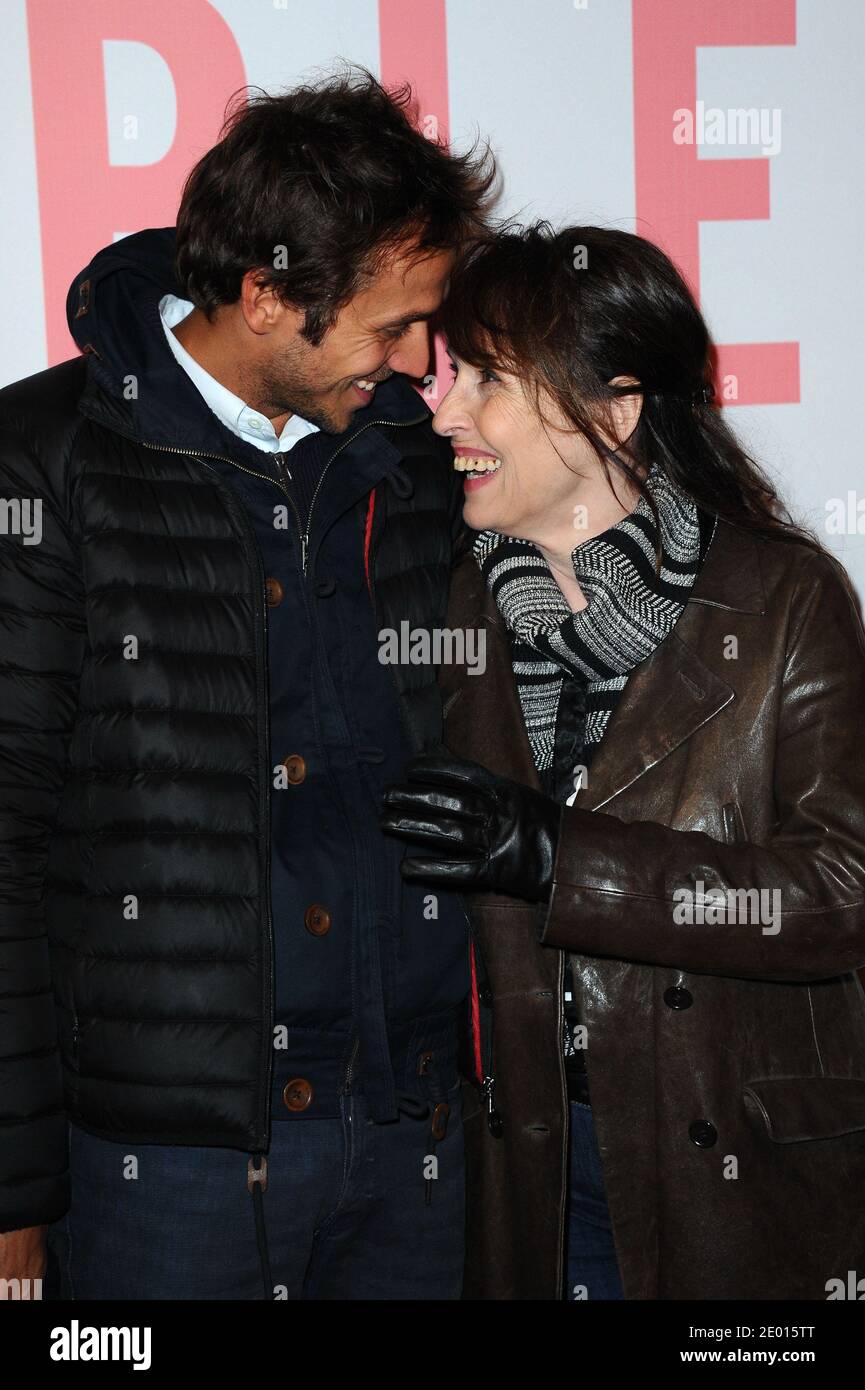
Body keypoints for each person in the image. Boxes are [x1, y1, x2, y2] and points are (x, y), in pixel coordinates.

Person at [0, 66, 496, 1300]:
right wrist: (12, 1191)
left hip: (415, 1134)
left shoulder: (418, 465)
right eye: (392, 327)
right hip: (164, 1171)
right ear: (268, 295)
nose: (422, 362)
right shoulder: (44, 460)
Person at [381, 223, 865, 1300]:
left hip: (733, 1179)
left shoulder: (784, 600)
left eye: (487, 379)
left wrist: (563, 860)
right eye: (450, 373)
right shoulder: (462, 607)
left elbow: (841, 894)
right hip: (533, 1180)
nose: (443, 408)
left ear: (614, 407)